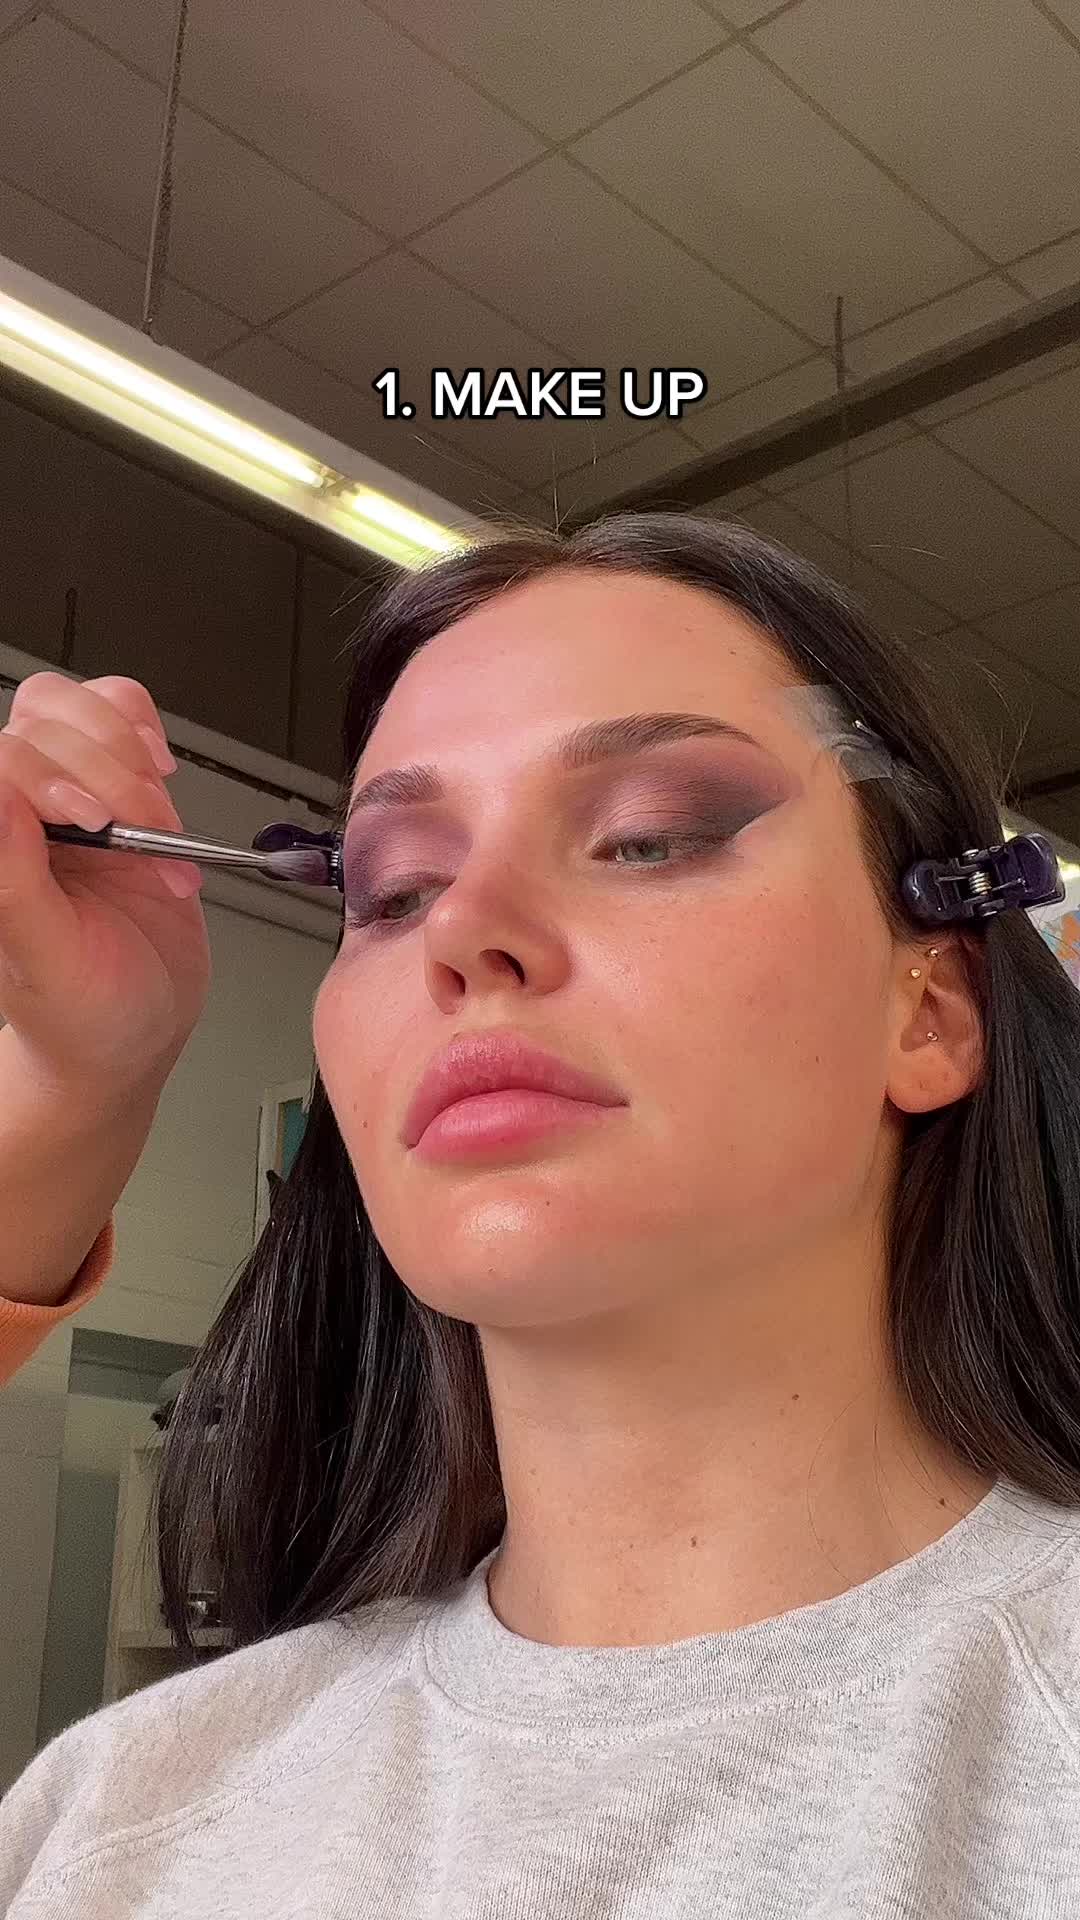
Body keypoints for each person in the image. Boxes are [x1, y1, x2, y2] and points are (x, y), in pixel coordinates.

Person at [2, 512, 1080, 1918]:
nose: (463, 929)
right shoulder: (113, 1821)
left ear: (930, 1012)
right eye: (394, 891)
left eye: (646, 839)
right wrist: (59, 1099)